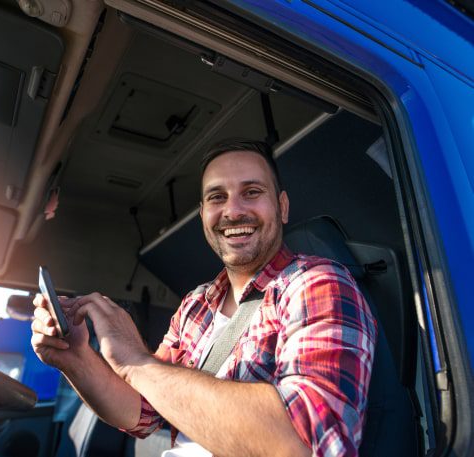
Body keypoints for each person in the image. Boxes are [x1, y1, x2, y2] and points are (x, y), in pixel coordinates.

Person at [31, 139, 376, 457]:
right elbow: (145, 411)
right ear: (203, 215)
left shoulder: (318, 283)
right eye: (217, 197)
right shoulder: (196, 304)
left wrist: (135, 359)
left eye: (252, 192)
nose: (232, 211)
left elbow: (307, 444)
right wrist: (75, 359)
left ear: (282, 207)